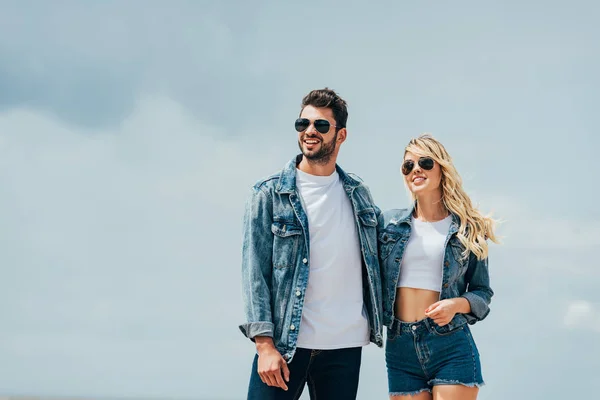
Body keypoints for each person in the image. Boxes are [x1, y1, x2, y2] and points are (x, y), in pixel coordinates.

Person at [239, 88, 384, 400]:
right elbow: (255, 272)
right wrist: (264, 345)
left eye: (320, 125)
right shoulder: (269, 194)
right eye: (302, 124)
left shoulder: (359, 194)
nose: (309, 131)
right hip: (286, 347)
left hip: (344, 348)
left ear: (341, 135)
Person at [378, 134, 498, 400]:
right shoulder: (387, 224)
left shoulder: (469, 229)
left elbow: (482, 292)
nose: (416, 169)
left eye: (425, 162)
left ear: (442, 169)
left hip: (450, 344)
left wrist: (456, 305)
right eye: (408, 165)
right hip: (400, 347)